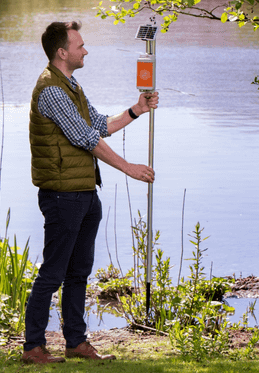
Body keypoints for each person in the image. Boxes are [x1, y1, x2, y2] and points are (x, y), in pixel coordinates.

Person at [22, 21, 158, 364]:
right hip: (61, 195)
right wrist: (128, 168)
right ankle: (33, 347)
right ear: (62, 52)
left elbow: (97, 125)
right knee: (53, 273)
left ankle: (76, 342)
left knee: (79, 271)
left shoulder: (71, 86)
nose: (86, 50)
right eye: (80, 46)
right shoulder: (51, 90)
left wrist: (136, 110)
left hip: (83, 192)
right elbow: (85, 138)